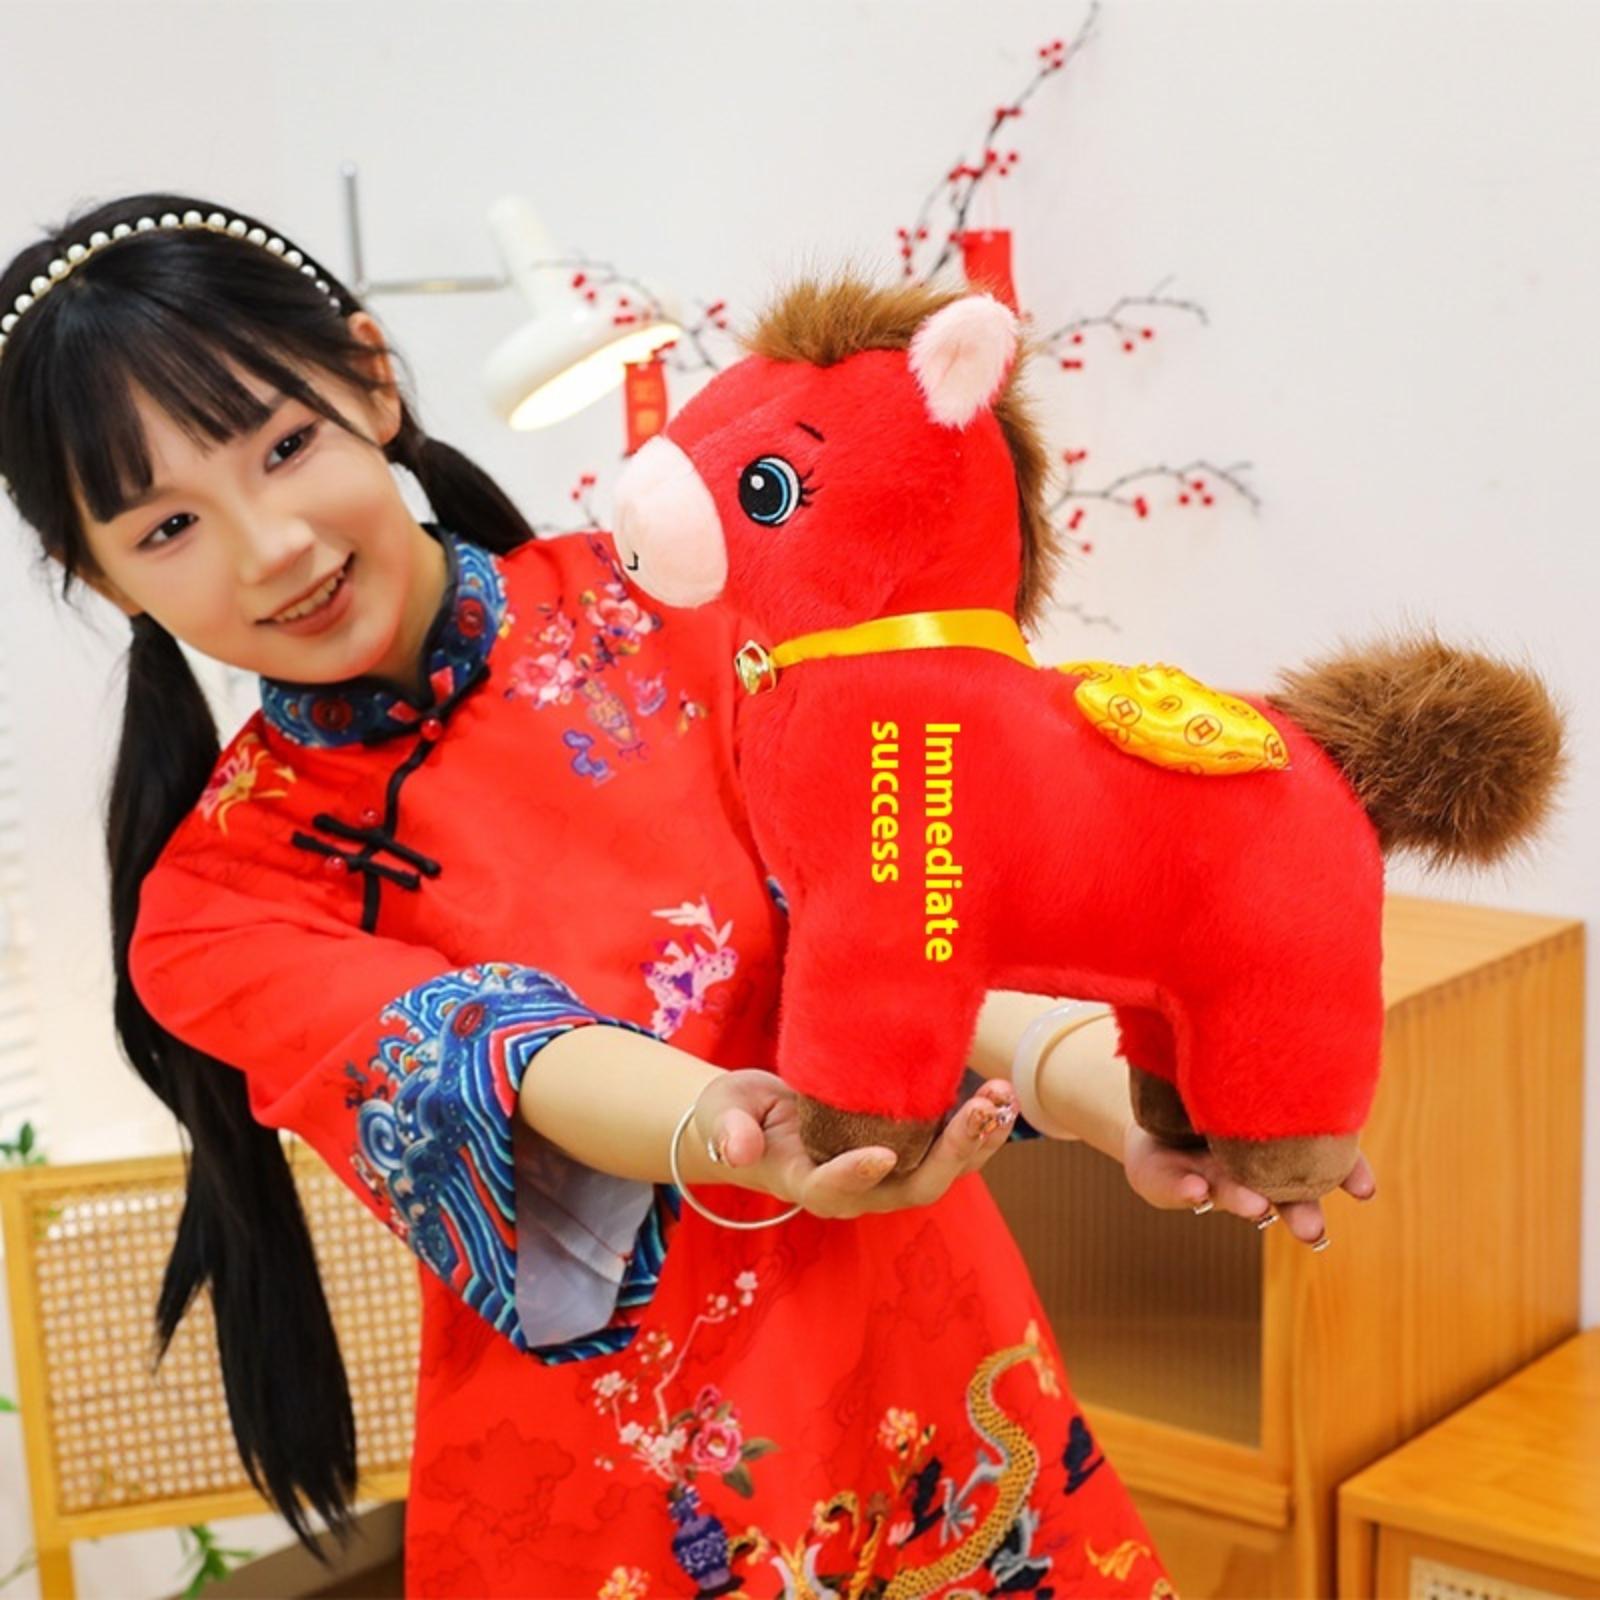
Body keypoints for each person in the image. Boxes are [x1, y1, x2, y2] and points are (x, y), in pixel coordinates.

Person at [0, 194, 1373, 1598]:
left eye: (285, 446)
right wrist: (741, 1134)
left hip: (936, 1381)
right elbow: (499, 1051)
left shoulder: (703, 596)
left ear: (370, 378)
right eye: (167, 525)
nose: (269, 545)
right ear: (94, 575)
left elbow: (915, 911)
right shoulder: (217, 903)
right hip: (618, 1499)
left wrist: (1112, 1095)